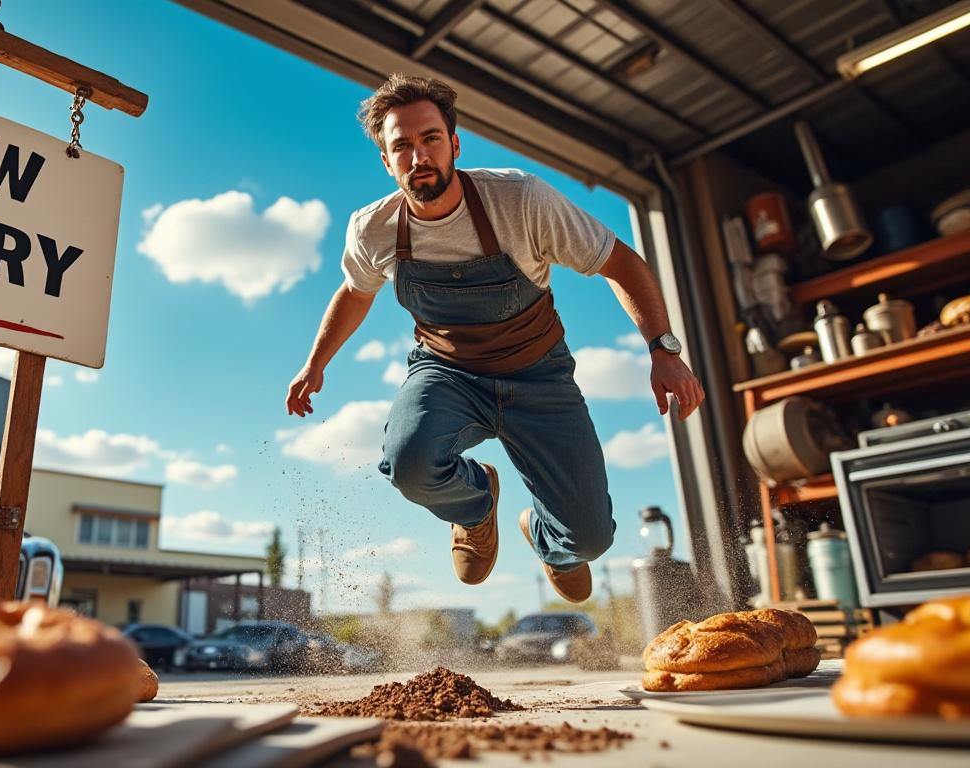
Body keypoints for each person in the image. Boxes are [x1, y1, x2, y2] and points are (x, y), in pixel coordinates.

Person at [284, 74, 705, 603]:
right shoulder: (373, 229)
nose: (419, 156)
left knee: (591, 538)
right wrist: (315, 362)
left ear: (455, 144)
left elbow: (619, 262)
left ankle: (552, 544)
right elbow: (355, 291)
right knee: (409, 462)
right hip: (447, 373)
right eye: (402, 146)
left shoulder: (520, 200)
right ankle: (476, 507)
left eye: (431, 139)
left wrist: (663, 349)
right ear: (387, 162)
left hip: (539, 375)